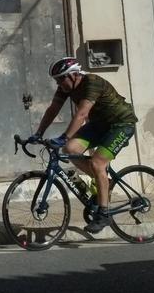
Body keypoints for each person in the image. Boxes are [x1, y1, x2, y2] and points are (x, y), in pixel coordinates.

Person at [31, 56, 138, 234]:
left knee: (97, 163)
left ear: (73, 75)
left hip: (121, 124)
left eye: (61, 79)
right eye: (56, 80)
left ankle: (103, 214)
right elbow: (53, 109)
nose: (59, 83)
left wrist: (64, 136)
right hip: (99, 125)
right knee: (71, 149)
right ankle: (105, 182)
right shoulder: (65, 87)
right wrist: (38, 133)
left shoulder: (91, 82)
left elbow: (81, 115)